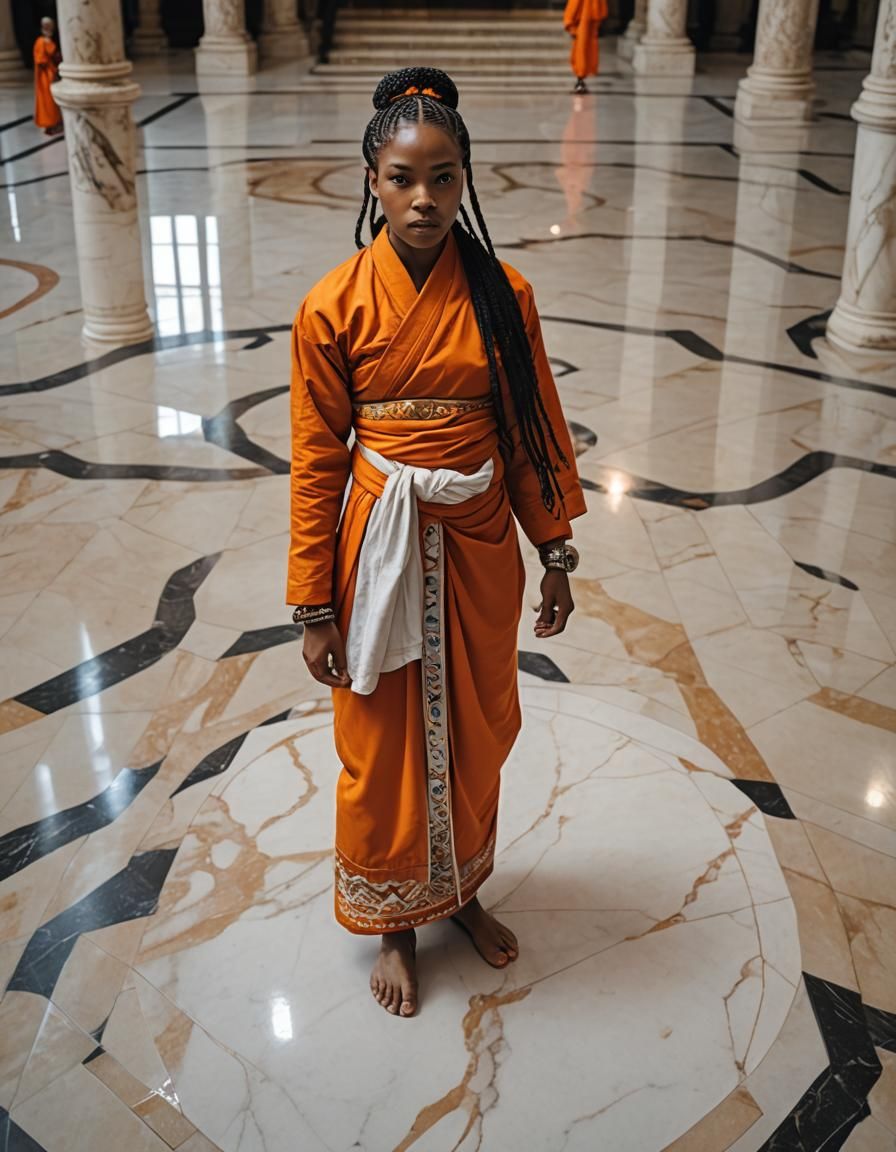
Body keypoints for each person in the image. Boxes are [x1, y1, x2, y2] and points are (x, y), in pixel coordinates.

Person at [286, 66, 586, 1018]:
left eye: (444, 177)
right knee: (383, 743)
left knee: (477, 731)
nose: (425, 198)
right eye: (404, 177)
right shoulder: (331, 306)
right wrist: (313, 606)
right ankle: (394, 925)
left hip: (480, 544)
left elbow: (532, 430)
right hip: (378, 544)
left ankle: (460, 893)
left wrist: (557, 553)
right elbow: (314, 463)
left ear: (467, 180)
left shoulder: (505, 295)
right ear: (370, 179)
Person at [564, 0, 609, 94]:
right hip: (586, 18)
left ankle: (580, 79)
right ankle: (580, 79)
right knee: (583, 51)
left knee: (582, 51)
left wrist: (569, 20)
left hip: (584, 19)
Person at [33, 17, 63, 136]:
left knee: (54, 101)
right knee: (48, 100)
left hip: (51, 72)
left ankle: (57, 122)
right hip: (45, 75)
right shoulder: (41, 42)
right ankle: (50, 123)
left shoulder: (48, 40)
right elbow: (40, 60)